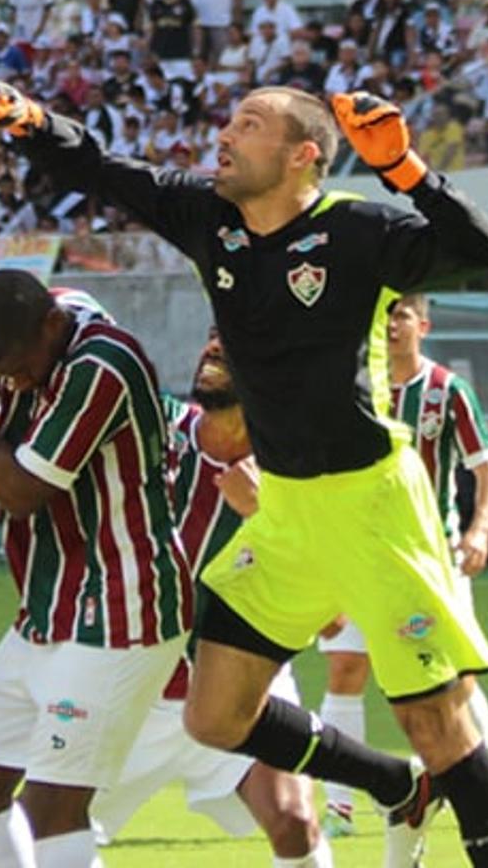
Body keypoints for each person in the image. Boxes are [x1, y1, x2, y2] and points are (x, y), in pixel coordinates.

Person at [0, 82, 488, 865]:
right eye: (228, 120)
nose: (226, 135)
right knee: (214, 717)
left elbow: (478, 249)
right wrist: (31, 124)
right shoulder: (210, 218)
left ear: (303, 156)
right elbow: (103, 170)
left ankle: (450, 803)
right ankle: (395, 785)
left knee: (442, 731)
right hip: (287, 511)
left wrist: (402, 167)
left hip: (374, 507)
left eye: (250, 125)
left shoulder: (359, 228)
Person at [0, 273, 191, 868]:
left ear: (50, 326)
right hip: (49, 607)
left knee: (51, 808)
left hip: (123, 608)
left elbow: (19, 489)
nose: (15, 382)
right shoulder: (41, 325)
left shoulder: (103, 366)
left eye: (21, 367)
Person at [92, 330, 328, 866]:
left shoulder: (295, 473)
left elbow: (329, 611)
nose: (216, 347)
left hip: (240, 682)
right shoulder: (152, 427)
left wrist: (264, 520)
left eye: (234, 338)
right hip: (133, 685)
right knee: (43, 824)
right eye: (212, 336)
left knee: (295, 823)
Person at [318, 292, 488, 863]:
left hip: (431, 562)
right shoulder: (352, 388)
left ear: (422, 324)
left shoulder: (447, 391)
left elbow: (487, 469)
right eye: (382, 316)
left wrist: (479, 531)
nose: (391, 325)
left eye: (400, 315)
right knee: (346, 667)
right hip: (357, 556)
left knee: (454, 685)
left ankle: (456, 780)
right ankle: (340, 807)